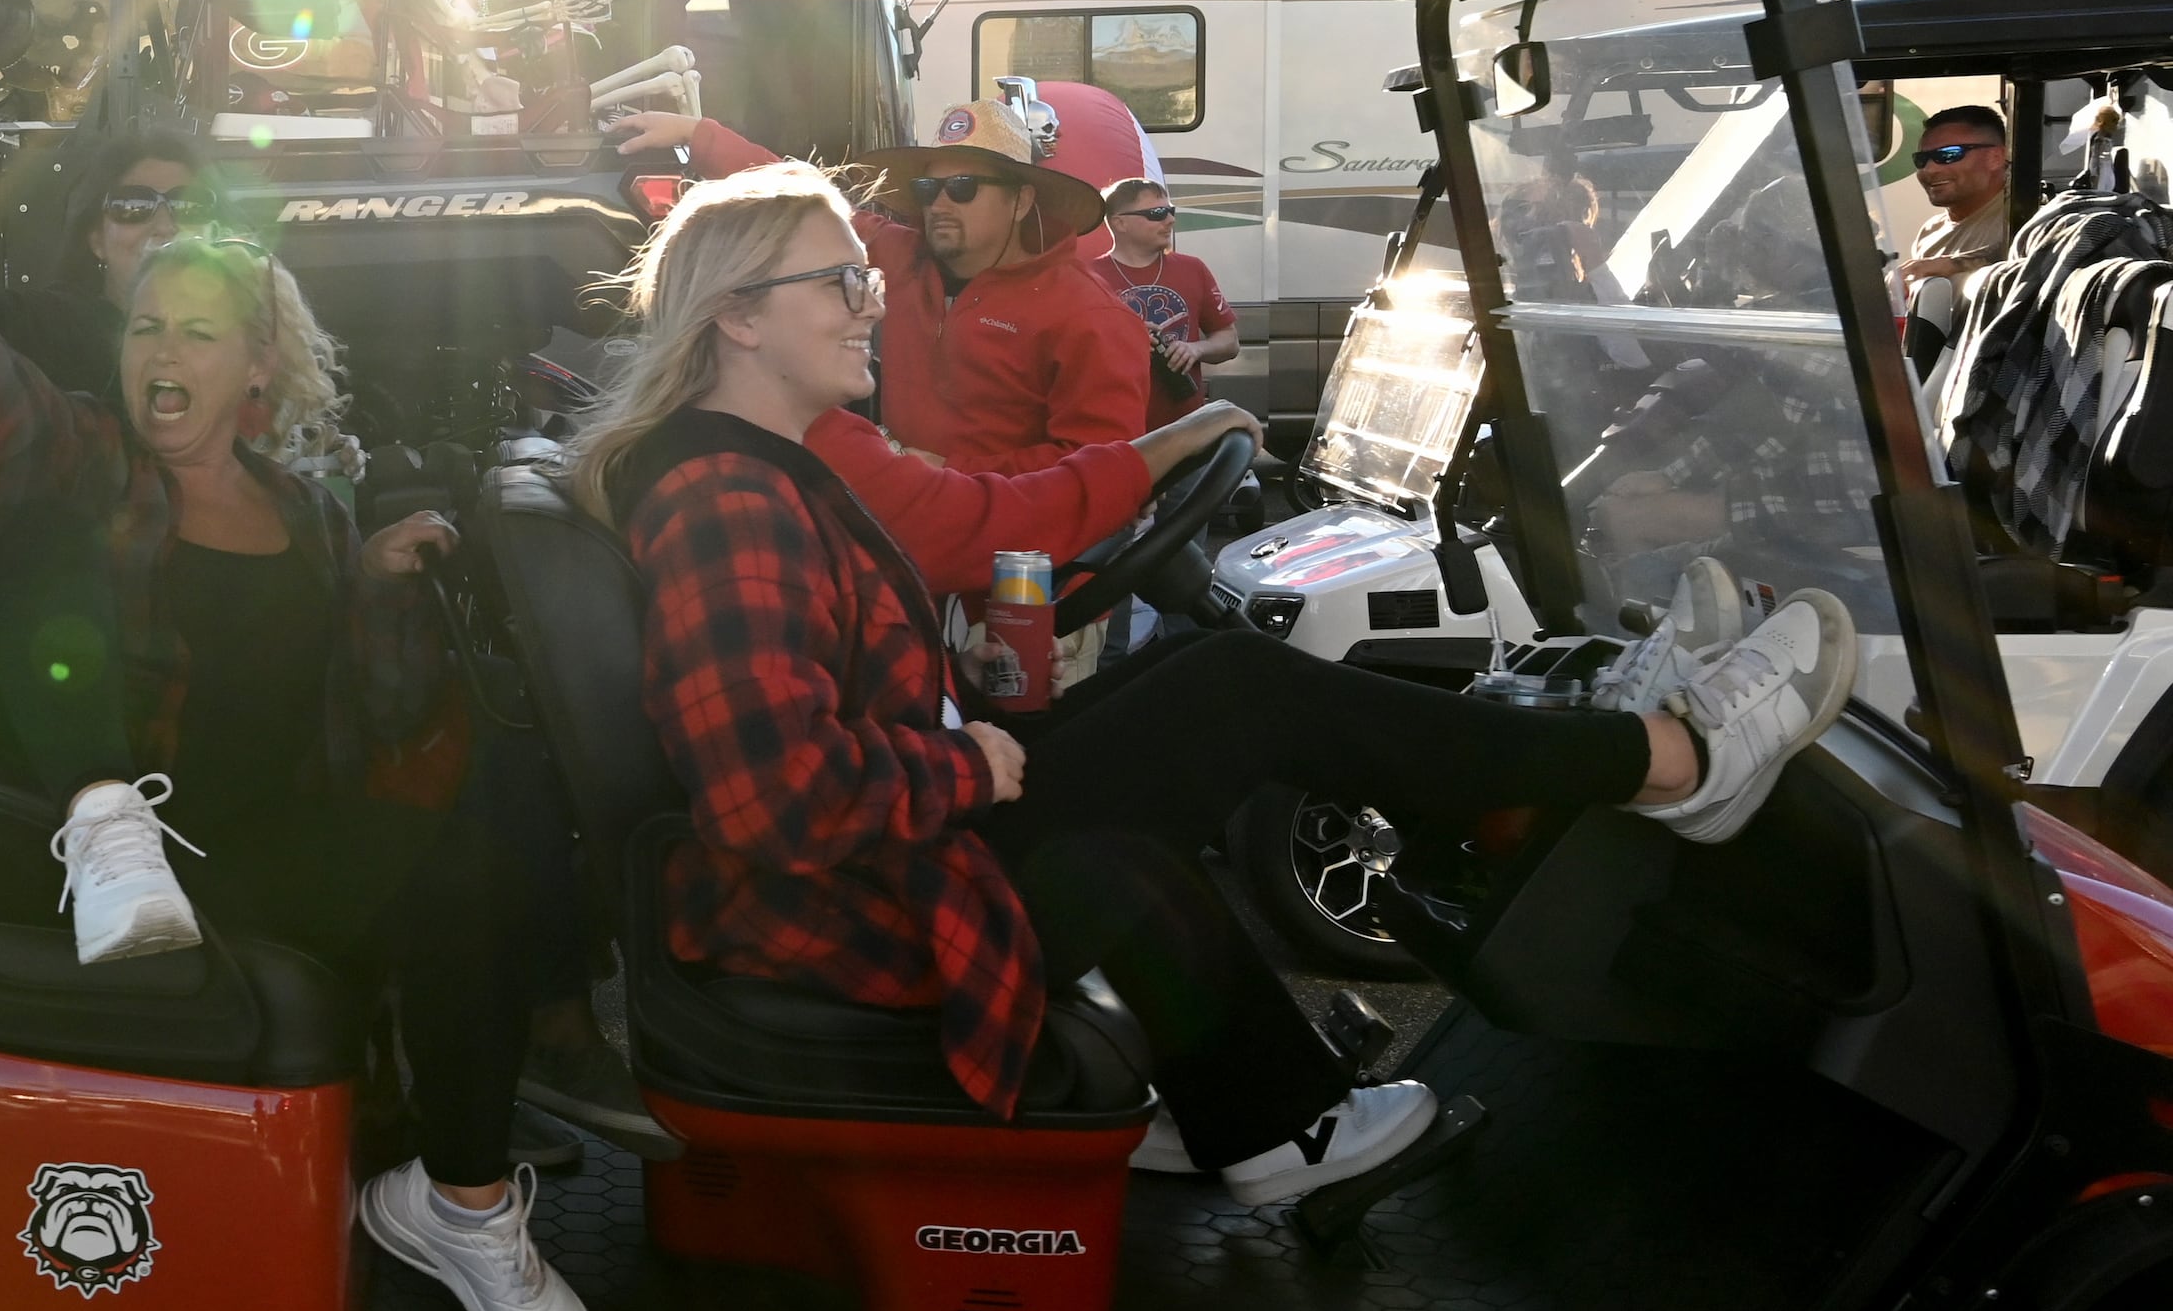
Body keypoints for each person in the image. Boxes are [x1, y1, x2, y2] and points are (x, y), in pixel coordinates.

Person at [580, 160, 1859, 1204]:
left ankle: (1275, 1126)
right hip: (863, 896)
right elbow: (771, 798)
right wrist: (963, 759)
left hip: (886, 861)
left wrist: (952, 689)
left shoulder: (771, 463)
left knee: (1201, 689)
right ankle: (1666, 761)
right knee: (1235, 691)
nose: (872, 303)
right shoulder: (728, 502)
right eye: (841, 282)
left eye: (866, 277)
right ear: (738, 316)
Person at [0, 197, 596, 1311]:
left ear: (257, 365)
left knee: (481, 857)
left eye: (198, 333)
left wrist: (379, 585)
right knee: (55, 537)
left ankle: (456, 1204)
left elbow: (378, 718)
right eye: (146, 327)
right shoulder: (92, 464)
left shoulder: (307, 512)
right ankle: (102, 813)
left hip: (255, 847)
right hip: (108, 868)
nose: (162, 352)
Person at [614, 92, 1147, 471]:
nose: (939, 203)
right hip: (909, 535)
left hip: (1030, 574)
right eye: (927, 188)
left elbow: (1104, 469)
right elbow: (803, 201)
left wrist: (952, 472)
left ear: (1021, 200)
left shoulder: (1090, 315)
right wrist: (699, 136)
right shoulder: (898, 255)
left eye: (963, 187)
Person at [0, 130, 220, 399]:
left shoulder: (245, 329)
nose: (165, 226)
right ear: (97, 240)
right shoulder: (54, 328)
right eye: (132, 205)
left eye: (188, 204)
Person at [1087, 176, 1240, 414]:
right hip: (1117, 423)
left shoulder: (1193, 268)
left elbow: (1229, 341)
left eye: (1171, 210)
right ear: (1120, 223)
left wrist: (1196, 349)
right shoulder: (1088, 278)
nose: (1170, 220)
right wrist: (1122, 339)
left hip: (1187, 423)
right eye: (1157, 213)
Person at [1897, 102, 2012, 296]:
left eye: (1948, 155)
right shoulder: (1930, 232)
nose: (1929, 170)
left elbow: (2031, 255)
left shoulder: (2025, 214)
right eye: (1922, 160)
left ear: (1996, 157)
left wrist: (1954, 264)